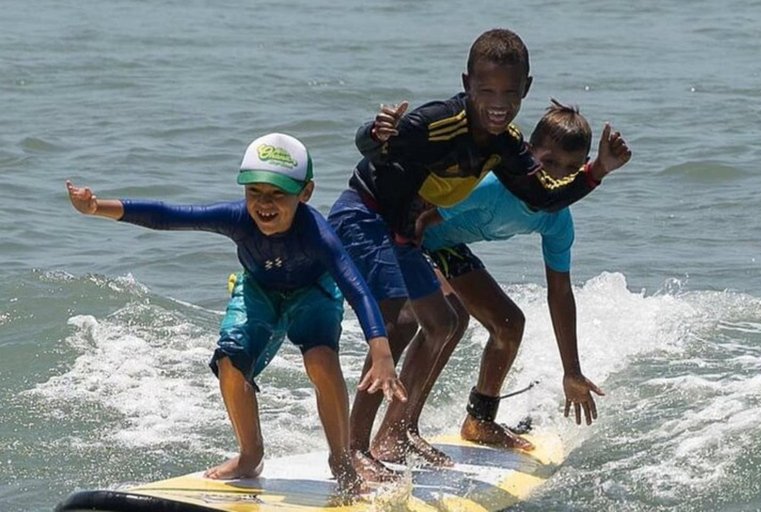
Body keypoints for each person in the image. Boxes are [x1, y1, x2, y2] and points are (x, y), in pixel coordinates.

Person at [328, 29, 611, 481]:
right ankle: (355, 448)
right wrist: (374, 130)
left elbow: (545, 197)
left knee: (444, 321)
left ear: (526, 90)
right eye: (487, 91)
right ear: (467, 84)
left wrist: (597, 172)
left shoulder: (508, 150)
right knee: (403, 321)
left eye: (509, 92)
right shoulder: (441, 123)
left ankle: (405, 431)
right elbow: (378, 147)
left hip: (406, 235)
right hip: (370, 215)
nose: (498, 102)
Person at [65, 133, 407, 496]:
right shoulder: (237, 219)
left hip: (315, 293)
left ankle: (340, 459)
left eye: (278, 194)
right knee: (230, 362)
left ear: (305, 193)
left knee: (321, 362)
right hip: (259, 290)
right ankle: (250, 455)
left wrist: (381, 352)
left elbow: (356, 287)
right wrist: (96, 207)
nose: (264, 204)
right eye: (254, 192)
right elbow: (169, 215)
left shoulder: (318, 235)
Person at [415, 100, 632, 449]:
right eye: (549, 162)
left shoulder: (557, 220)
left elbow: (559, 292)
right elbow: (421, 217)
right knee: (450, 318)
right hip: (411, 239)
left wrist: (571, 370)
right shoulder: (492, 186)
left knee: (508, 323)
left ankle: (479, 421)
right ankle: (403, 428)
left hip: (446, 247)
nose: (558, 175)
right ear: (529, 153)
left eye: (571, 168)